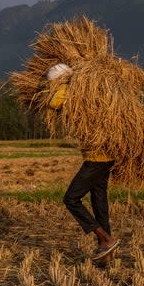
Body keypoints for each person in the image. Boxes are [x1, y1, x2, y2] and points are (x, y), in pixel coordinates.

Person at [47, 62, 119, 262]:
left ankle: (105, 239)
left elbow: (53, 103)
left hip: (96, 158)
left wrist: (61, 84)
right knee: (99, 202)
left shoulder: (72, 90)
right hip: (106, 155)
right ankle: (106, 255)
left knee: (71, 199)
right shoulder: (88, 91)